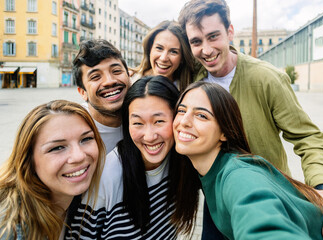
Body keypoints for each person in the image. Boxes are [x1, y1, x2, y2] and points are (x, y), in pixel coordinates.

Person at [178, 0, 323, 239]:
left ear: (230, 31)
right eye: (196, 42)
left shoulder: (267, 78)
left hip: (266, 199)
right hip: (217, 204)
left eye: (214, 36)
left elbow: (309, 138)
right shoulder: (194, 76)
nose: (207, 49)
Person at [173, 81, 323, 240]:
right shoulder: (212, 171)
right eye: (181, 110)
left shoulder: (238, 176)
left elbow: (264, 226)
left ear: (224, 132)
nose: (184, 121)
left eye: (201, 115)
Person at [64, 76, 199, 239]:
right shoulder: (107, 176)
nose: (149, 137)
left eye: (159, 121)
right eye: (137, 123)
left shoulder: (185, 162)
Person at [0, 100, 104, 240]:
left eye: (86, 139)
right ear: (28, 160)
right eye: (57, 147)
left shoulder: (80, 201)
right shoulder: (11, 229)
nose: (79, 156)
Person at [72, 39, 130, 154]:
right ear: (83, 92)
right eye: (95, 77)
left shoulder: (144, 118)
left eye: (116, 71)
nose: (109, 81)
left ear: (129, 77)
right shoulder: (71, 128)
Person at [131, 20, 194, 91]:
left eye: (173, 52)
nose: (163, 58)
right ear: (150, 49)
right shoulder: (131, 82)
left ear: (182, 58)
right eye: (159, 48)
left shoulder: (190, 90)